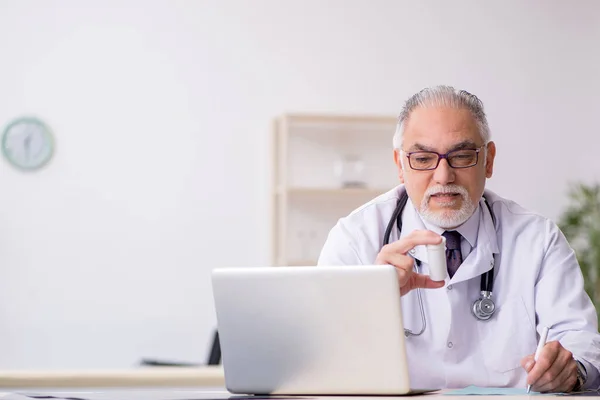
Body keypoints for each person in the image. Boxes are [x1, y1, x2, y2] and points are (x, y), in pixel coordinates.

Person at [317, 85, 600, 392]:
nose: (443, 176)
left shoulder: (538, 240)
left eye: (462, 156)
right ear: (400, 165)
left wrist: (571, 370)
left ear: (488, 160)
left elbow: (581, 341)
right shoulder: (354, 238)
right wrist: (370, 298)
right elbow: (318, 356)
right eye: (423, 159)